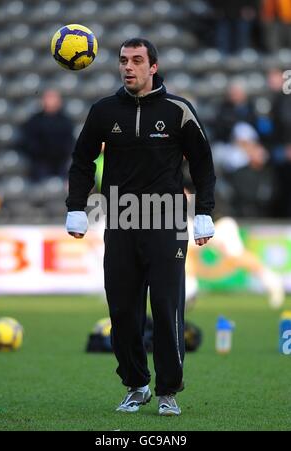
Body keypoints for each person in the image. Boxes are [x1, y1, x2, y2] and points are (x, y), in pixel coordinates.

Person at [65, 38, 216, 416]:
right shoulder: (103, 111)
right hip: (120, 221)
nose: (128, 67)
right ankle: (136, 385)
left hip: (166, 221)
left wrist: (204, 211)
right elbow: (82, 160)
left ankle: (168, 391)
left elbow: (203, 164)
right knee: (122, 310)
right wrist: (76, 207)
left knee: (166, 307)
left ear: (153, 67)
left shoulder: (178, 110)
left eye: (136, 60)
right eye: (122, 61)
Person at [20, 90, 74, 182]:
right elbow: (29, 143)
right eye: (49, 98)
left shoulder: (65, 121)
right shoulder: (34, 121)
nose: (51, 101)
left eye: (54, 98)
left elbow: (69, 142)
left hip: (61, 164)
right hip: (40, 164)